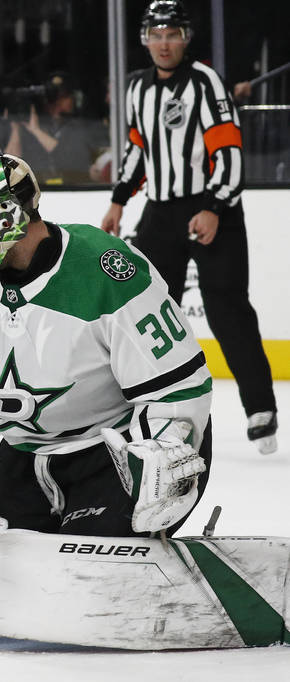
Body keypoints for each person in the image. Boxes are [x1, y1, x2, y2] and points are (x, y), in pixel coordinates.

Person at [0, 148, 212, 560]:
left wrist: (163, 452)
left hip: (115, 457)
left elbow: (178, 388)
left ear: (6, 215)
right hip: (26, 462)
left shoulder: (105, 270)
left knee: (83, 573)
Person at [99, 0, 278, 455]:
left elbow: (230, 153)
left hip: (212, 207)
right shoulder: (138, 88)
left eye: (172, 34)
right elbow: (137, 149)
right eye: (155, 35)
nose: (163, 43)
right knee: (145, 308)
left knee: (227, 309)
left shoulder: (206, 82)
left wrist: (215, 206)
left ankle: (261, 410)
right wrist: (119, 201)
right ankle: (147, 408)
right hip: (160, 212)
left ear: (185, 38)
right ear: (144, 40)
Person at [12, 72, 108, 185]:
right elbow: (11, 163)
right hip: (38, 190)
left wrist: (36, 131)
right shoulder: (34, 125)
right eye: (54, 97)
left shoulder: (83, 128)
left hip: (74, 190)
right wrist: (15, 127)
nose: (58, 101)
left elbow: (69, 161)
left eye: (64, 96)